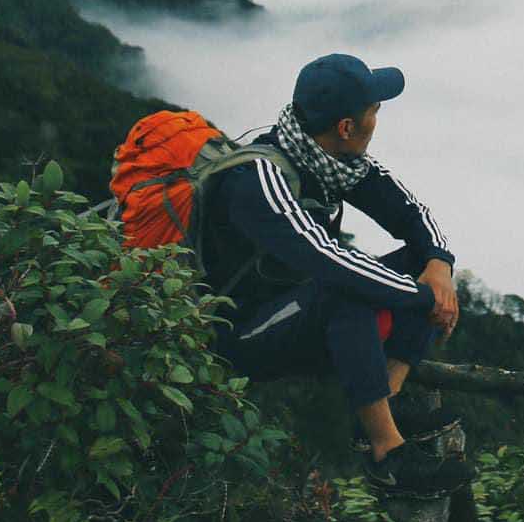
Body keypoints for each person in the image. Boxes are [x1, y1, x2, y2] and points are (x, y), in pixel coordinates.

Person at [198, 53, 468, 496]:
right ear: (346, 127)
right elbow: (327, 260)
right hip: (239, 336)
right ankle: (386, 455)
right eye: (374, 112)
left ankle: (388, 404)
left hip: (294, 310)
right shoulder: (258, 181)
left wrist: (439, 265)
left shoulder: (332, 161)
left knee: (415, 267)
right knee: (344, 289)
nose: (377, 120)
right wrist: (423, 298)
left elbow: (412, 214)